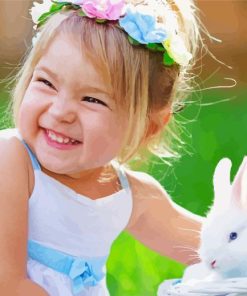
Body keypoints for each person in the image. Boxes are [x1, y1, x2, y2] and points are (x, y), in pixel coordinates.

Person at [0, 0, 205, 295]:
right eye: (46, 82)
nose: (60, 112)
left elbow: (219, 245)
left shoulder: (129, 195)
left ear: (149, 126)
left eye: (92, 100)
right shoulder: (11, 161)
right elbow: (7, 284)